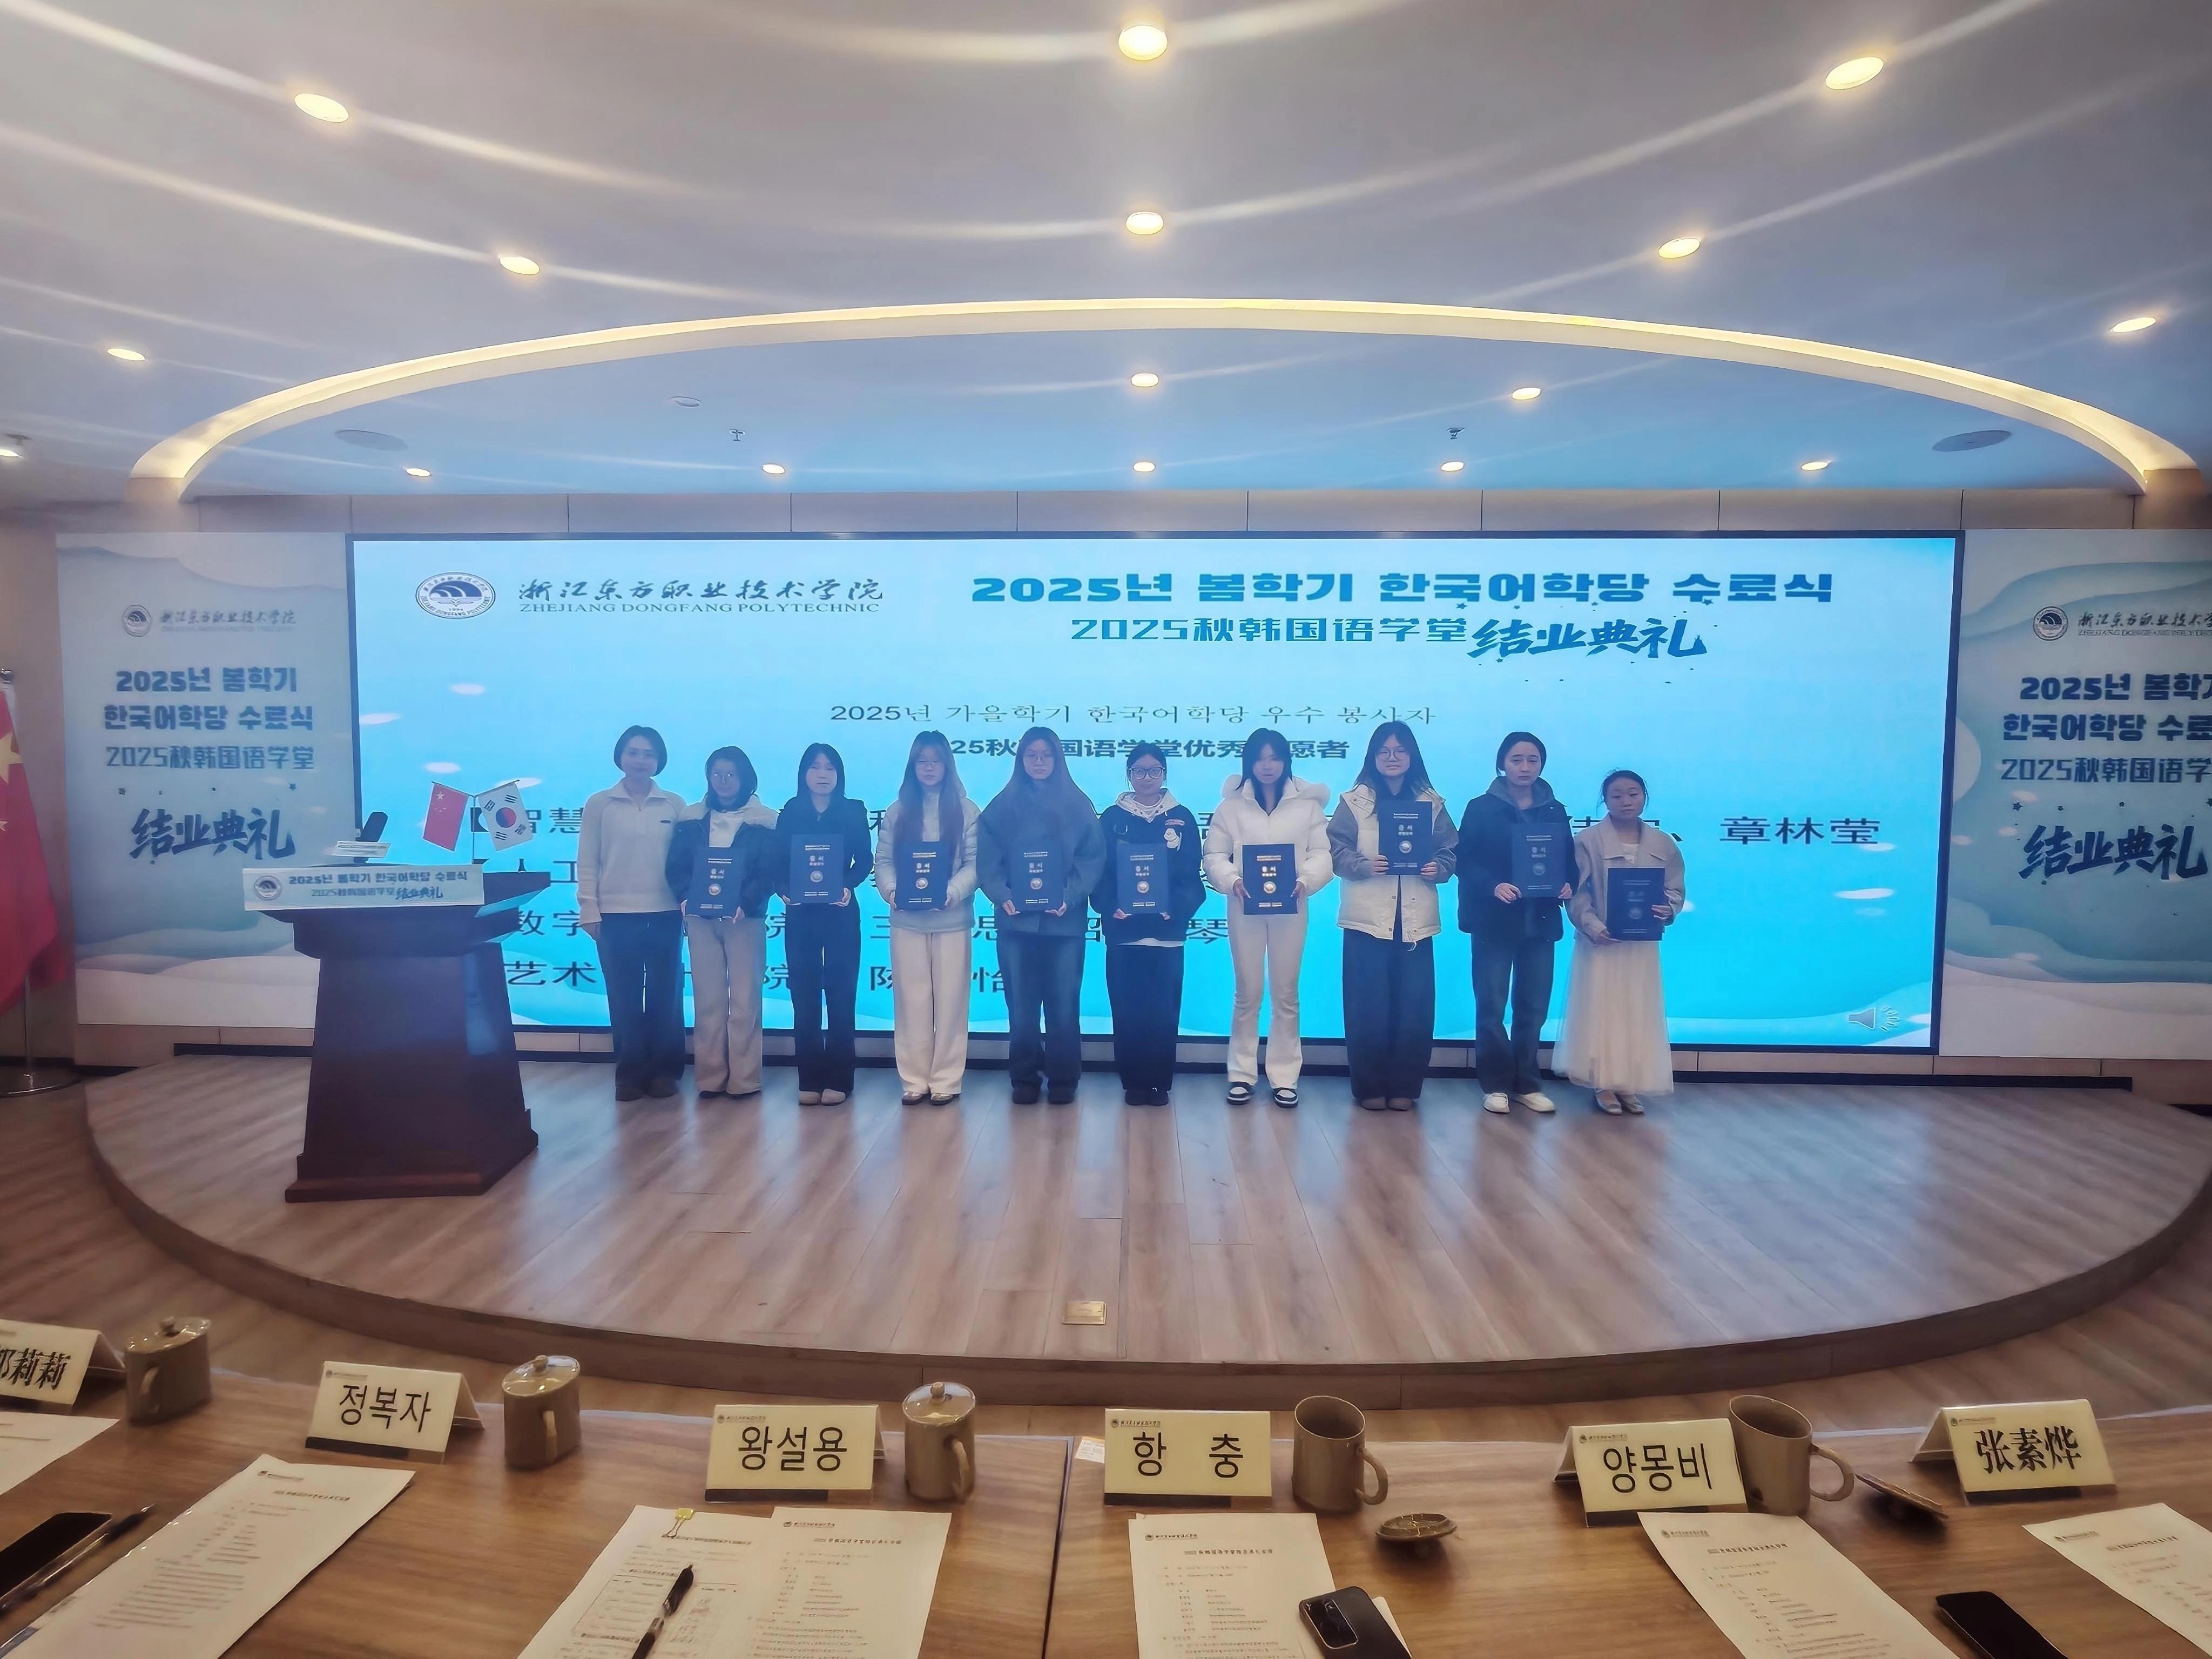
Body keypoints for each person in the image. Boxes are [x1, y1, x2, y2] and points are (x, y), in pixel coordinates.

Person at [1328, 721, 1459, 1111]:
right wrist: (1363, 865)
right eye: (1383, 751)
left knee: (1414, 1008)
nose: (1392, 758)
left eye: (1400, 751)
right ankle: (1369, 1088)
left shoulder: (1433, 803)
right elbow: (1334, 849)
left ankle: (1405, 1087)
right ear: (1372, 757)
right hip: (1367, 919)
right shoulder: (1354, 801)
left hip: (1416, 920)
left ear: (1412, 756)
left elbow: (1451, 850)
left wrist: (1439, 868)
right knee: (1366, 1007)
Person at [1202, 728, 1332, 1108]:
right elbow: (1213, 855)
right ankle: (1241, 1074)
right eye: (1260, 758)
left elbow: (1322, 853)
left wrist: (1306, 880)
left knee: (1286, 993)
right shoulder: (1231, 807)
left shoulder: (1307, 806)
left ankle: (1284, 1076)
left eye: (1275, 757)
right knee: (1247, 993)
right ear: (1249, 763)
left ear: (1286, 761)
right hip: (1244, 907)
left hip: (1292, 906)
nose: (1268, 765)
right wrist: (1232, 880)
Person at [976, 727, 1106, 1105]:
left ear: (1058, 759)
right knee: (1021, 1006)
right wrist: (1003, 896)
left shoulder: (1078, 804)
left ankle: (1064, 1077)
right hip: (1016, 923)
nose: (1038, 762)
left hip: (1064, 924)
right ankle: (1025, 1077)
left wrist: (1070, 896)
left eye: (1046, 755)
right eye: (1031, 755)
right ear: (1020, 760)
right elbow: (988, 861)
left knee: (1064, 1005)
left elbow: (1092, 859)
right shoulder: (1001, 806)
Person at [1457, 731, 1575, 1116]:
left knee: (1533, 1007)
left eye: (1533, 760)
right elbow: (1464, 860)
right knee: (1491, 1005)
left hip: (1540, 921)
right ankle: (1495, 1084)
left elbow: (1568, 861)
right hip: (1494, 921)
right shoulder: (1481, 808)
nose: (1525, 767)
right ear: (1502, 764)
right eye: (1517, 760)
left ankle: (1527, 1083)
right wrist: (1493, 885)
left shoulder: (1555, 810)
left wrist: (1568, 884)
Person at [1560, 769, 1686, 1115]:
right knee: (1602, 1010)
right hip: (1601, 942)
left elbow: (1675, 889)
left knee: (1637, 1011)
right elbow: (1577, 892)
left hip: (1642, 944)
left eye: (1633, 794)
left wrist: (1669, 908)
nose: (1626, 801)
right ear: (1605, 800)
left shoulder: (1663, 843)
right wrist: (1593, 926)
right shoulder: (1588, 840)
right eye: (1616, 795)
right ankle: (1603, 1082)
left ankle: (1628, 1082)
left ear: (1644, 796)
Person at [577, 725, 686, 1101]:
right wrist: (589, 908)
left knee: (665, 996)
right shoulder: (600, 804)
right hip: (614, 915)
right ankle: (629, 1074)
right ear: (621, 756)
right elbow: (587, 860)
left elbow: (685, 863)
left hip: (666, 913)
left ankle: (664, 1073)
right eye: (634, 752)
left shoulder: (674, 804)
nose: (641, 760)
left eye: (649, 754)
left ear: (660, 760)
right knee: (623, 998)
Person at [1094, 743, 1206, 1105]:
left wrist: (1175, 908)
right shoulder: (1111, 818)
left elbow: (1192, 876)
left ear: (1165, 774)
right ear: (1129, 775)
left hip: (1167, 935)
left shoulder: (1182, 817)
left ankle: (1159, 1083)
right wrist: (1111, 906)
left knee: (1163, 1012)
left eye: (1154, 770)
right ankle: (1133, 1083)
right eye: (1139, 771)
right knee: (1127, 1010)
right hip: (1124, 934)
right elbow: (1099, 873)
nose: (1147, 777)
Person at [665, 746, 778, 1098]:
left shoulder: (766, 819)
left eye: (731, 774)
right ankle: (710, 1078)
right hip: (700, 920)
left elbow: (770, 871)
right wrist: (685, 896)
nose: (723, 781)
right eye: (717, 774)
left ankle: (745, 1079)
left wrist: (746, 902)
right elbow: (676, 867)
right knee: (708, 1001)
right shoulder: (691, 817)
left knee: (745, 1002)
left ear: (746, 778)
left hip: (745, 920)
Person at [873, 731, 979, 1105]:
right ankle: (915, 1079)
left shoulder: (966, 811)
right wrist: (893, 892)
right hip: (907, 921)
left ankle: (946, 1079)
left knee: (951, 1002)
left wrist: (951, 892)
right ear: (912, 766)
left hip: (952, 919)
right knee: (911, 1001)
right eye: (922, 761)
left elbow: (975, 864)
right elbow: (883, 862)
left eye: (936, 761)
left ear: (948, 765)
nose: (929, 768)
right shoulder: (897, 811)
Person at [775, 744, 871, 1105]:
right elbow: (776, 862)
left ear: (839, 774)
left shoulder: (853, 810)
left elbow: (864, 860)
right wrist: (785, 892)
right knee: (804, 996)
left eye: (830, 767)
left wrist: (847, 886)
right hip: (801, 914)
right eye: (815, 767)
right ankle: (810, 1078)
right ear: (803, 773)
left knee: (842, 995)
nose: (822, 774)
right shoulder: (790, 812)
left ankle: (840, 1079)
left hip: (840, 911)